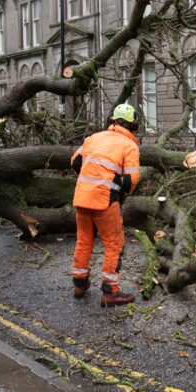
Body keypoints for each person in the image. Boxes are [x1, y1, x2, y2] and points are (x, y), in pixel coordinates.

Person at [70, 104, 141, 307]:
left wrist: (91, 180)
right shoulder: (129, 146)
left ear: (112, 120)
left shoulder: (93, 138)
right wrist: (115, 187)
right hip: (105, 201)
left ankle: (79, 284)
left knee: (84, 241)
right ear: (132, 124)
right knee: (114, 244)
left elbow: (75, 162)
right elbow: (130, 181)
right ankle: (110, 292)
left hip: (82, 197)